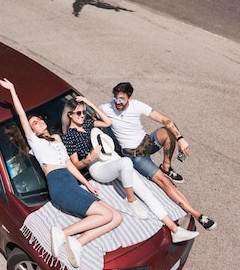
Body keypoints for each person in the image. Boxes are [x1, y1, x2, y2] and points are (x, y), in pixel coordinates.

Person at [0, 78, 123, 268]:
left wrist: (87, 185)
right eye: (33, 123)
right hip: (58, 185)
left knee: (117, 217)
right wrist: (13, 90)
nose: (37, 122)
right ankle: (63, 233)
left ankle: (77, 243)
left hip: (71, 182)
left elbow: (69, 165)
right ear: (31, 131)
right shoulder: (35, 143)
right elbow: (22, 115)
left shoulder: (56, 138)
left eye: (38, 119)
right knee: (105, 215)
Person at [61, 97, 199, 243]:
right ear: (70, 115)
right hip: (98, 166)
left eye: (83, 112)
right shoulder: (69, 136)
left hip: (112, 157)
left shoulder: (88, 123)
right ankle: (131, 200)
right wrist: (89, 159)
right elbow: (75, 164)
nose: (82, 115)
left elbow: (108, 122)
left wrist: (88, 103)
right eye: (78, 113)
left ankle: (175, 230)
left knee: (146, 192)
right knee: (126, 162)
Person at [100, 82, 217, 230]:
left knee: (167, 132)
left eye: (121, 99)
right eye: (116, 98)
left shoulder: (137, 105)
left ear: (129, 98)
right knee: (165, 182)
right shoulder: (106, 108)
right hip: (136, 156)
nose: (117, 102)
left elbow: (165, 120)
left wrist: (180, 139)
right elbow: (92, 117)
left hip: (146, 143)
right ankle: (198, 214)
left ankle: (166, 166)